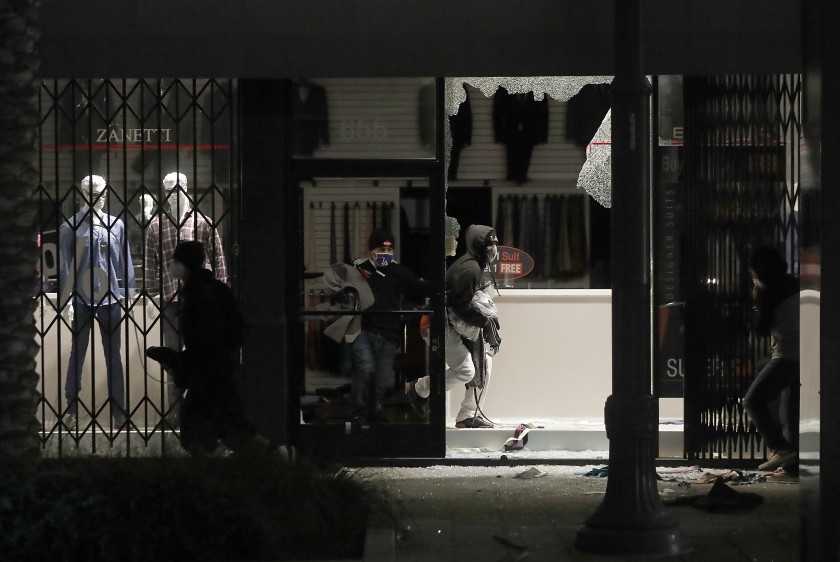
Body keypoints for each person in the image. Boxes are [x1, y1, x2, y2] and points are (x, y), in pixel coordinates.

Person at [146, 241, 272, 457]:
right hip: (218, 371)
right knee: (230, 429)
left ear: (184, 264)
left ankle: (274, 462)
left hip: (212, 373)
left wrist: (180, 361)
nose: (171, 266)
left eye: (175, 261)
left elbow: (205, 338)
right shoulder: (209, 288)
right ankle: (273, 461)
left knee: (205, 430)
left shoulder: (199, 292)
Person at [145, 172, 228, 427]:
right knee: (173, 357)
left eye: (177, 188)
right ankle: (177, 412)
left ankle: (202, 409)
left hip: (200, 300)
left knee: (202, 352)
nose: (172, 194)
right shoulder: (157, 226)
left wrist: (220, 292)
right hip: (170, 299)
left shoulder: (203, 223)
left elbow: (218, 260)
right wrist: (150, 295)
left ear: (186, 189)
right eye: (168, 189)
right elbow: (151, 263)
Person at [59, 174, 135, 428]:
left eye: (102, 193)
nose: (99, 198)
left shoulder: (117, 226)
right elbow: (64, 267)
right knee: (77, 354)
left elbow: (124, 262)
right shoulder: (70, 227)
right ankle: (71, 408)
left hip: (111, 298)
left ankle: (118, 412)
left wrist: (129, 293)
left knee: (113, 355)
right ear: (83, 194)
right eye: (93, 193)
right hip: (81, 299)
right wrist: (66, 300)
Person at [407, 224, 501, 428]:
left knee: (484, 363)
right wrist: (485, 322)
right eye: (489, 244)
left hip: (452, 324)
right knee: (467, 371)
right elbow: (461, 306)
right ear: (479, 245)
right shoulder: (470, 268)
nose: (494, 248)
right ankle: (419, 389)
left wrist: (485, 322)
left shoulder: (474, 265)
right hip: (440, 325)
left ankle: (467, 416)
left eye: (495, 243)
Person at [350, 228, 428, 422]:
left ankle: (374, 413)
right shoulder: (360, 270)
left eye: (389, 248)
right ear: (371, 250)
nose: (385, 252)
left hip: (389, 335)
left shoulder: (399, 272)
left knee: (382, 380)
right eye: (380, 247)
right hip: (363, 330)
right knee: (365, 368)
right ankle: (359, 412)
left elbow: (419, 291)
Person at [743, 246, 800, 473]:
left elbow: (761, 329)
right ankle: (792, 468)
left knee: (753, 401)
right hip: (805, 354)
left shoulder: (769, 291)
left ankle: (779, 448)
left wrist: (757, 298)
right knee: (789, 414)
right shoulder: (793, 283)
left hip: (788, 354)